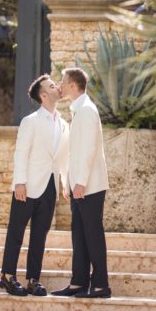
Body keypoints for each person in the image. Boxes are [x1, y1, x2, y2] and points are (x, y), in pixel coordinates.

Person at [0, 74, 69, 297]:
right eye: (52, 85)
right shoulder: (30, 121)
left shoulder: (64, 124)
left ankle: (33, 280)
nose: (57, 86)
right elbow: (21, 153)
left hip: (50, 188)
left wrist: (65, 185)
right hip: (27, 186)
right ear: (43, 95)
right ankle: (7, 277)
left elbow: (63, 158)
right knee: (16, 232)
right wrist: (19, 182)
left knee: (40, 235)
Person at [51, 67, 112, 298]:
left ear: (73, 85)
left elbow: (88, 151)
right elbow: (75, 153)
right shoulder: (79, 111)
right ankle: (78, 282)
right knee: (79, 234)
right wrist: (69, 183)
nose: (60, 85)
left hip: (90, 187)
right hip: (80, 186)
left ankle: (101, 286)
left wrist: (80, 183)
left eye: (63, 82)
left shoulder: (86, 111)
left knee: (92, 234)